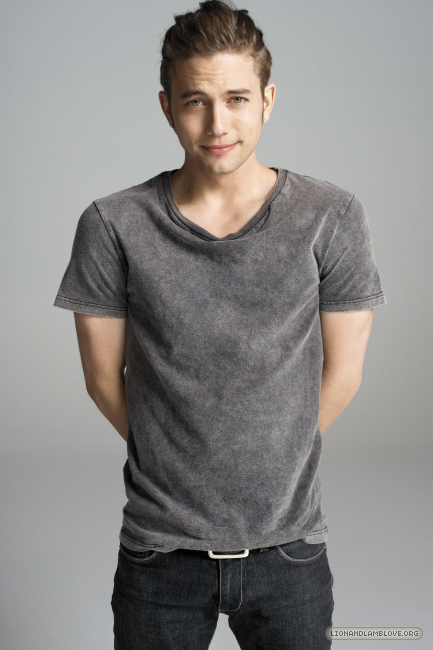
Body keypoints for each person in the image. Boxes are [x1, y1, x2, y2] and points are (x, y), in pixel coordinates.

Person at [53, 1, 387, 648]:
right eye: (195, 102)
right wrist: (176, 456)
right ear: (166, 107)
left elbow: (344, 375)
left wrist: (269, 455)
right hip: (159, 554)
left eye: (236, 99)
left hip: (289, 549)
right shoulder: (112, 225)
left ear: (267, 100)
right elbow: (102, 379)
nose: (217, 123)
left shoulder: (332, 216)